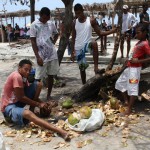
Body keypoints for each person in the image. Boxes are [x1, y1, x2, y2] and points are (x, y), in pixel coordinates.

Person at [0, 59, 69, 140]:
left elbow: (28, 95)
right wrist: (38, 104)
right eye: (26, 69)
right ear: (19, 68)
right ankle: (60, 131)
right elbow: (21, 97)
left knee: (38, 84)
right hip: (9, 107)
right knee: (28, 114)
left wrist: (43, 103)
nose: (28, 72)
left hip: (17, 102)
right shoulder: (17, 76)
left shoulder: (24, 78)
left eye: (29, 70)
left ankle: (32, 110)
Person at [71, 3, 117, 84]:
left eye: (79, 13)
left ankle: (96, 68)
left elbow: (100, 33)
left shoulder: (91, 20)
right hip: (78, 47)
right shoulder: (74, 22)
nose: (78, 15)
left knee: (94, 43)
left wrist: (112, 31)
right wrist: (72, 51)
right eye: (76, 13)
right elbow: (73, 38)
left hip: (87, 45)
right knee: (82, 69)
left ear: (83, 11)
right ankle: (84, 85)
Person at [115, 24, 150, 116]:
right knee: (119, 83)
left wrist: (139, 61)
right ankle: (126, 102)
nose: (136, 34)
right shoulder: (139, 42)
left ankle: (129, 110)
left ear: (145, 33)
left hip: (135, 70)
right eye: (136, 32)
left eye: (138, 33)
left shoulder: (145, 44)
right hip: (129, 68)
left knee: (132, 88)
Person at [30, 7, 59, 100]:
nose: (46, 19)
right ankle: (34, 97)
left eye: (48, 17)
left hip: (52, 55)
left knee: (51, 75)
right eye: (44, 18)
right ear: (41, 15)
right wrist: (37, 56)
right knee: (38, 77)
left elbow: (56, 33)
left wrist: (53, 42)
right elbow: (33, 41)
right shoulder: (34, 25)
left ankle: (48, 95)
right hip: (41, 56)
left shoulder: (50, 23)